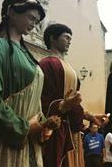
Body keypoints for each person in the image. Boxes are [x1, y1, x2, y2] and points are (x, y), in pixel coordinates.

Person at [0, 0, 58, 166]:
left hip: (30, 147)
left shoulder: (28, 56)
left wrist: (43, 124)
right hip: (4, 144)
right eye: (30, 18)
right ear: (12, 13)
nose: (34, 25)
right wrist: (25, 128)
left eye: (37, 22)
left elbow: (34, 102)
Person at [40, 23, 107, 167]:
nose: (70, 41)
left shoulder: (67, 66)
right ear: (52, 38)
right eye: (66, 37)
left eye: (71, 38)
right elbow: (43, 101)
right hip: (58, 130)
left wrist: (90, 116)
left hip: (71, 130)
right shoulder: (46, 64)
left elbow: (74, 102)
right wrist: (63, 105)